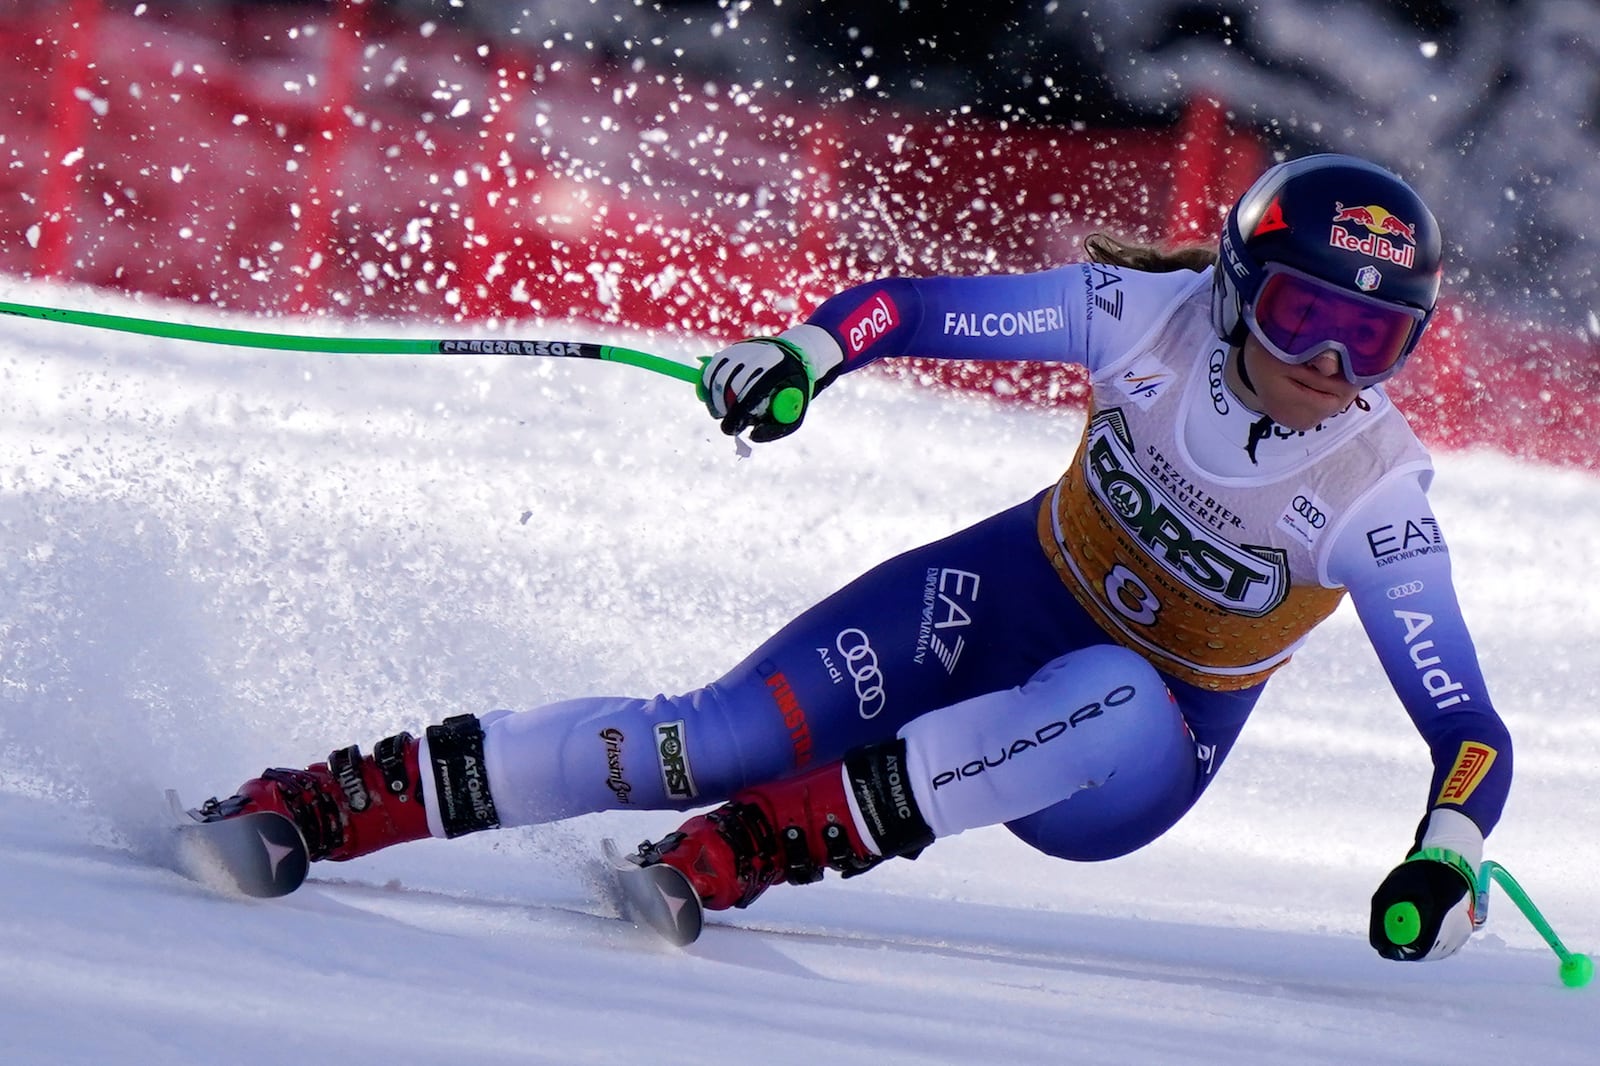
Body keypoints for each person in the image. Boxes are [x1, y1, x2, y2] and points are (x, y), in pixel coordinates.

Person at [196, 153, 1511, 962]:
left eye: (1374, 343)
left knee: (1108, 692)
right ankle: (314, 803)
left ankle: (757, 846)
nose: (1328, 370)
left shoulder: (1373, 493)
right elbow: (913, 309)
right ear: (1233, 285)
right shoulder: (1140, 313)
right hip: (999, 598)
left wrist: (1445, 857)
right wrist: (804, 358)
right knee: (707, 733)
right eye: (1303, 317)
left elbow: (1469, 729)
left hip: (1135, 749)